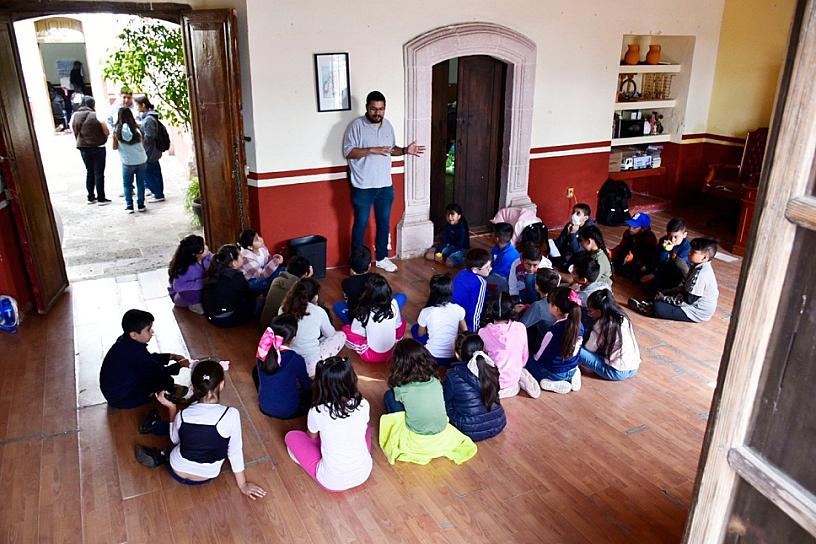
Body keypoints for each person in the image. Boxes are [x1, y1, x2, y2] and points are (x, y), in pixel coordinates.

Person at [134, 360, 267, 499]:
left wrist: (172, 409)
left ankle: (161, 450)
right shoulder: (231, 414)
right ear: (221, 385)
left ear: (192, 387)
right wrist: (243, 484)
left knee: (181, 437)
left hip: (176, 470)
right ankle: (161, 453)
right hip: (206, 475)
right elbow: (234, 451)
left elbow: (174, 439)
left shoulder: (183, 414)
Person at [343, 90, 425, 273]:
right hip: (363, 186)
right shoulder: (356, 126)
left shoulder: (387, 125)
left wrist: (405, 150)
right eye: (373, 109)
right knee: (361, 224)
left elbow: (391, 149)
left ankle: (381, 258)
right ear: (367, 107)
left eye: (380, 109)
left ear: (384, 109)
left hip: (385, 185)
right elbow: (348, 152)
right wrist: (371, 149)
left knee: (384, 223)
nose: (377, 113)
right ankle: (357, 266)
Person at [379, 339, 478, 465]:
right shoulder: (436, 382)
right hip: (441, 435)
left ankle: (398, 427)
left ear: (398, 364)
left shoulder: (402, 389)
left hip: (415, 440)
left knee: (389, 396)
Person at [284, 356, 373, 492]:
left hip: (332, 482)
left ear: (321, 384)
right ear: (351, 379)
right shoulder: (363, 404)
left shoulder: (317, 411)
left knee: (291, 437)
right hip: (364, 472)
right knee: (366, 431)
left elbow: (312, 437)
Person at [99, 309, 190, 410]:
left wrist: (171, 356)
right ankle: (163, 393)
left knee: (154, 370)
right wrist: (180, 365)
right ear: (134, 334)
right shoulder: (135, 353)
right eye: (148, 329)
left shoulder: (126, 342)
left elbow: (148, 360)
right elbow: (157, 372)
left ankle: (165, 388)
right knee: (160, 378)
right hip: (123, 399)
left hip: (114, 393)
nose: (152, 332)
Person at [629, 237, 720, 322]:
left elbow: (687, 301)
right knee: (662, 292)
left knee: (659, 308)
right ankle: (649, 303)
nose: (689, 253)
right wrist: (666, 292)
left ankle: (647, 308)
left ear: (704, 257)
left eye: (693, 252)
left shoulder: (701, 274)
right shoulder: (697, 266)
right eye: (691, 250)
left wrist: (664, 298)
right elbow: (684, 288)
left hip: (696, 311)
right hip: (689, 300)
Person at [443, 333, 506, 442]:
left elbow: (444, 401)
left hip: (468, 429)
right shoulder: (491, 367)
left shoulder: (453, 375)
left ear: (457, 354)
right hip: (498, 422)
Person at [478, 295, 540, 398]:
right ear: (512, 310)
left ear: (490, 310)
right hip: (512, 377)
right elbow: (524, 358)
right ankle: (518, 382)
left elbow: (483, 360)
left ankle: (501, 390)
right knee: (521, 369)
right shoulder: (520, 327)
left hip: (493, 381)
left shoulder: (483, 332)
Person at [281, 277, 346, 374]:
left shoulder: (283, 307)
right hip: (311, 364)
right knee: (341, 335)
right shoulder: (318, 311)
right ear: (315, 297)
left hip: (289, 359)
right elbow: (330, 334)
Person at [525, 287, 584, 394]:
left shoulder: (554, 331)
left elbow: (540, 356)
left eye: (550, 303)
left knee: (526, 363)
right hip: (572, 367)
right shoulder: (580, 325)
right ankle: (572, 375)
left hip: (554, 372)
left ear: (556, 309)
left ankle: (552, 382)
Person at [253, 314, 312, 419]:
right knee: (308, 393)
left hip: (264, 407)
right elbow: (306, 385)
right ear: (293, 338)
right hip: (288, 411)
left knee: (255, 370)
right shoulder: (296, 359)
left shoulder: (262, 351)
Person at [333, 245, 406, 325]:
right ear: (369, 265)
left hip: (360, 318)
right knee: (401, 297)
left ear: (351, 267)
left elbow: (348, 302)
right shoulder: (377, 279)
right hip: (379, 313)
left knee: (337, 306)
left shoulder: (346, 283)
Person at [579, 289, 641, 381]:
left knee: (576, 349)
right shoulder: (622, 317)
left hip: (615, 371)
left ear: (600, 311)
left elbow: (590, 348)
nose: (589, 313)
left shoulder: (601, 324)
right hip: (633, 367)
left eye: (591, 310)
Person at [343, 274, 406, 363]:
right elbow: (398, 324)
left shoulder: (363, 309)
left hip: (372, 355)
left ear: (367, 293)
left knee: (345, 330)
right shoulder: (393, 303)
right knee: (402, 321)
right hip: (393, 350)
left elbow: (355, 332)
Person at [412, 274, 467, 366]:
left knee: (415, 328)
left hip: (432, 356)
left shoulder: (427, 311)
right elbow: (465, 331)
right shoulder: (458, 309)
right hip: (453, 356)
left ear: (432, 292)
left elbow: (420, 334)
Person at [201, 244, 256, 328]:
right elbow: (248, 296)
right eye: (240, 256)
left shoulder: (214, 269)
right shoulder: (236, 276)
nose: (243, 257)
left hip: (210, 315)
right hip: (224, 319)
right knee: (259, 302)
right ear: (233, 263)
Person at [71, 96, 111, 205]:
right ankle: (101, 198)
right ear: (92, 104)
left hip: (83, 148)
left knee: (89, 172)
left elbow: (74, 132)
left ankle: (90, 197)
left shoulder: (75, 116)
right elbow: (106, 132)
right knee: (99, 173)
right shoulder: (95, 115)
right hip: (98, 148)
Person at [259, 255, 312, 326]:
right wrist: (308, 280)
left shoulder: (277, 280)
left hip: (266, 324)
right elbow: (319, 302)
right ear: (306, 273)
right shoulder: (301, 287)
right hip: (283, 330)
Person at [642, 217, 691, 292]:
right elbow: (658, 260)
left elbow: (675, 267)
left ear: (684, 235)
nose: (672, 240)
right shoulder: (663, 241)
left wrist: (654, 274)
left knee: (658, 289)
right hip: (662, 269)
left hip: (676, 274)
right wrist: (664, 250)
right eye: (669, 236)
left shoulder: (686, 249)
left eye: (675, 237)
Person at [113, 107, 148, 213]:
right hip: (141, 160)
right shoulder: (137, 129)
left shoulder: (116, 131)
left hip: (127, 162)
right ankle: (141, 205)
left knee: (127, 184)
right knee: (140, 183)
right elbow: (142, 143)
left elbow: (114, 147)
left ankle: (129, 206)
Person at [168, 234, 212, 315]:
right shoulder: (184, 268)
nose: (206, 248)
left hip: (203, 288)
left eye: (205, 244)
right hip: (186, 295)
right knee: (195, 296)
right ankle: (194, 305)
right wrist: (201, 283)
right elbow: (178, 286)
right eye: (203, 247)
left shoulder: (208, 256)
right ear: (194, 254)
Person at [134, 96, 166, 202]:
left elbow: (149, 137)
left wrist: (141, 139)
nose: (136, 107)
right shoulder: (149, 117)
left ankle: (158, 194)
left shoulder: (149, 119)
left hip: (150, 150)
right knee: (154, 171)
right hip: (152, 150)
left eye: (137, 105)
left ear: (143, 105)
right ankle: (157, 193)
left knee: (150, 172)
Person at [451, 248, 491, 332]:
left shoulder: (461, 273)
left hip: (452, 318)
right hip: (465, 323)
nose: (490, 269)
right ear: (475, 269)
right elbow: (476, 310)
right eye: (487, 267)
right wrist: (473, 332)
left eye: (490, 265)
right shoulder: (480, 283)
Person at [610, 212, 658, 280]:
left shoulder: (649, 239)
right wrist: (612, 253)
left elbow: (650, 259)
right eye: (630, 225)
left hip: (643, 263)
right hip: (632, 259)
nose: (630, 229)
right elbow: (622, 248)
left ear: (643, 229)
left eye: (634, 227)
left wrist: (635, 261)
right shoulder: (628, 233)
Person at [237, 229, 284, 294]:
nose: (260, 239)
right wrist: (275, 262)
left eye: (258, 236)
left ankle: (273, 285)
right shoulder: (246, 257)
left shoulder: (262, 248)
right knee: (255, 285)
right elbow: (260, 275)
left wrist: (275, 258)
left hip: (264, 273)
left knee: (283, 270)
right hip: (254, 279)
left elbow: (268, 259)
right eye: (256, 239)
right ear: (250, 247)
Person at [424, 202, 470, 267]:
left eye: (452, 215)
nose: (449, 217)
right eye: (448, 215)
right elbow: (444, 241)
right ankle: (443, 259)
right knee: (428, 255)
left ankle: (464, 260)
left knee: (449, 263)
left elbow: (460, 245)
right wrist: (438, 253)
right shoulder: (447, 225)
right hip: (448, 247)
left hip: (460, 249)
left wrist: (444, 256)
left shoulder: (462, 228)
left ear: (459, 216)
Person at [554, 203, 595, 267]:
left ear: (586, 218)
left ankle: (564, 263)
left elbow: (577, 250)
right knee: (550, 243)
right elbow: (559, 243)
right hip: (568, 252)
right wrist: (567, 233)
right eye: (573, 212)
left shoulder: (590, 230)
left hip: (580, 254)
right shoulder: (570, 224)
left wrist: (573, 233)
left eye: (578, 213)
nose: (574, 215)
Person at [486, 222, 520, 293]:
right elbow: (491, 261)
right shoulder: (496, 248)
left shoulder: (509, 256)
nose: (491, 235)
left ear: (497, 238)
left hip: (504, 281)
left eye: (492, 233)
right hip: (495, 274)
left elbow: (498, 275)